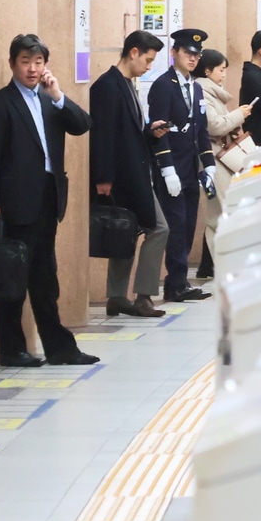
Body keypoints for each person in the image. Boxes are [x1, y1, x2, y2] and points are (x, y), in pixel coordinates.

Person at [0, 34, 97, 367]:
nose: (32, 69)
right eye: (25, 62)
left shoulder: (49, 99)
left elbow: (83, 125)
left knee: (46, 277)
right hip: (14, 202)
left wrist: (58, 94)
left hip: (47, 198)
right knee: (14, 277)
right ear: (12, 64)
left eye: (38, 62)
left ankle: (59, 347)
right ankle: (12, 349)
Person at [90, 30, 172, 317]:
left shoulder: (127, 85)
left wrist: (150, 131)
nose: (149, 66)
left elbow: (128, 132)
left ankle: (116, 296)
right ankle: (142, 296)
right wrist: (103, 177)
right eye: (147, 60)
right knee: (157, 228)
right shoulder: (107, 86)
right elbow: (102, 135)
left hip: (134, 171)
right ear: (133, 52)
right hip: (122, 176)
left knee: (126, 231)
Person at [148, 29, 217, 302]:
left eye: (196, 55)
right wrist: (166, 168)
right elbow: (159, 127)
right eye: (188, 53)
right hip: (171, 169)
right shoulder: (163, 86)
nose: (193, 59)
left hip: (190, 168)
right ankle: (175, 283)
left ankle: (179, 280)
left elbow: (200, 129)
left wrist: (208, 164)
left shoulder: (196, 87)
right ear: (174, 52)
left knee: (188, 224)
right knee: (175, 225)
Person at [194, 47, 255, 280]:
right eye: (221, 70)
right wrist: (239, 115)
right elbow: (215, 126)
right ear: (207, 70)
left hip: (222, 158)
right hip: (212, 160)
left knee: (224, 211)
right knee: (219, 213)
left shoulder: (213, 91)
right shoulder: (202, 90)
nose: (224, 74)